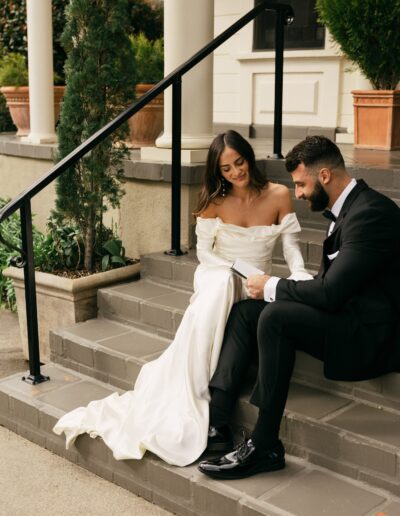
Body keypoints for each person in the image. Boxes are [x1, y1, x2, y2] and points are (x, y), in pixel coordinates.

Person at [53, 130, 312, 466]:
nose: (236, 172)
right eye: (226, 169)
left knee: (238, 298)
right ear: (217, 172)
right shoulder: (212, 201)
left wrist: (300, 276)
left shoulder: (278, 194)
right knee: (221, 286)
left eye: (239, 162)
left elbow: (290, 248)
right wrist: (242, 273)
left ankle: (215, 414)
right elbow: (205, 255)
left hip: (257, 284)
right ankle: (195, 386)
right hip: (219, 273)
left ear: (249, 156)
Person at [198, 135, 400, 480]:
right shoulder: (347, 210)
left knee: (276, 314)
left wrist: (273, 286)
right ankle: (219, 417)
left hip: (370, 335)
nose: (300, 194)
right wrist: (275, 290)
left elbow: (331, 293)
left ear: (324, 176)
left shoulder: (371, 214)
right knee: (249, 311)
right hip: (345, 313)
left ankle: (264, 445)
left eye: (302, 184)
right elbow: (331, 287)